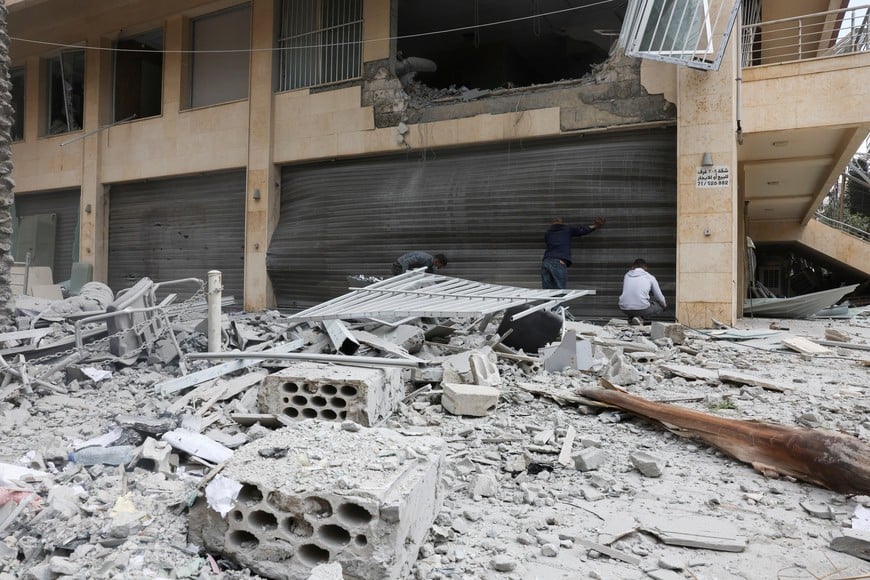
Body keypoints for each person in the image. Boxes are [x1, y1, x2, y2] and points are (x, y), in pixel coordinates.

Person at [541, 216, 605, 289]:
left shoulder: (548, 233)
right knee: (560, 291)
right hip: (558, 261)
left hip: (545, 262)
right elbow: (582, 230)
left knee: (547, 292)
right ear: (561, 223)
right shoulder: (566, 229)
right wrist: (595, 226)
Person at [618, 258, 667, 325]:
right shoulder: (650, 277)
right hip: (641, 309)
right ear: (645, 268)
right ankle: (639, 318)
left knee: (640, 303)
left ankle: (633, 319)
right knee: (659, 306)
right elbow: (659, 296)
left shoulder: (626, 275)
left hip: (624, 308)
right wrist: (664, 305)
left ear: (633, 267)